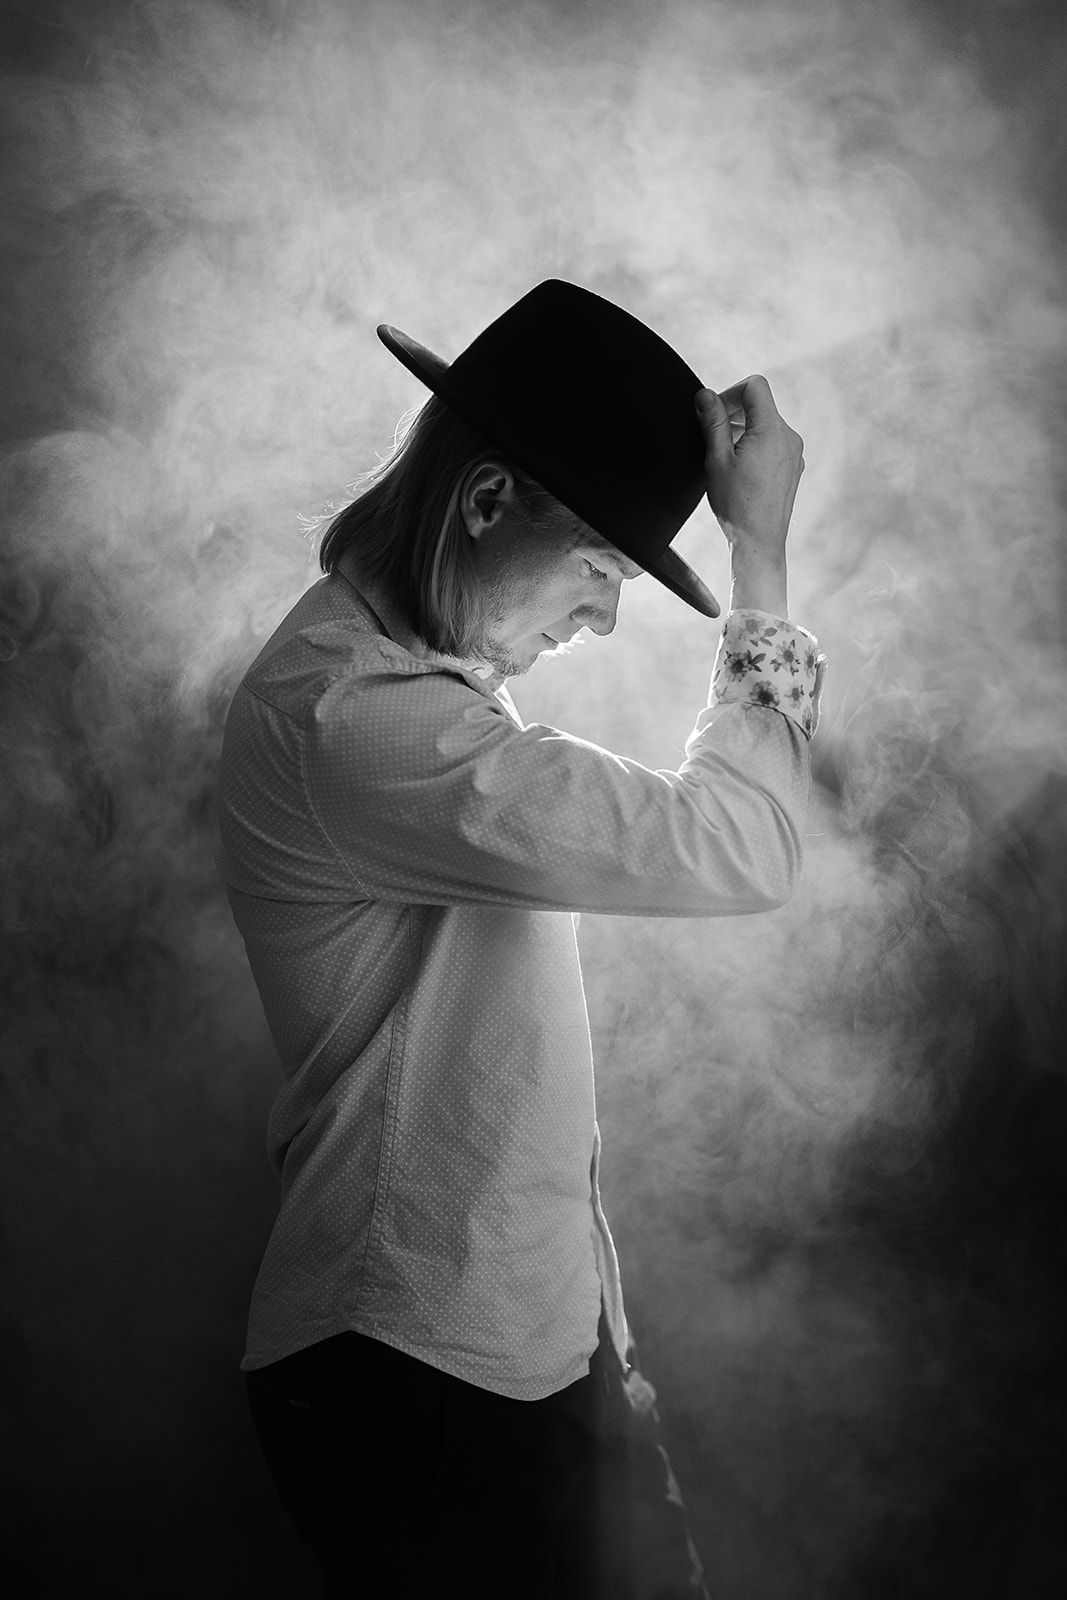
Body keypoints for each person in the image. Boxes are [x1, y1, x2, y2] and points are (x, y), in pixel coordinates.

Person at [216, 280, 823, 1598]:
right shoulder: (359, 720)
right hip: (420, 1379)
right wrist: (757, 556)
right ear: (489, 503)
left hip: (529, 1350)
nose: (603, 621)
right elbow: (743, 849)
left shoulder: (417, 692)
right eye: (602, 572)